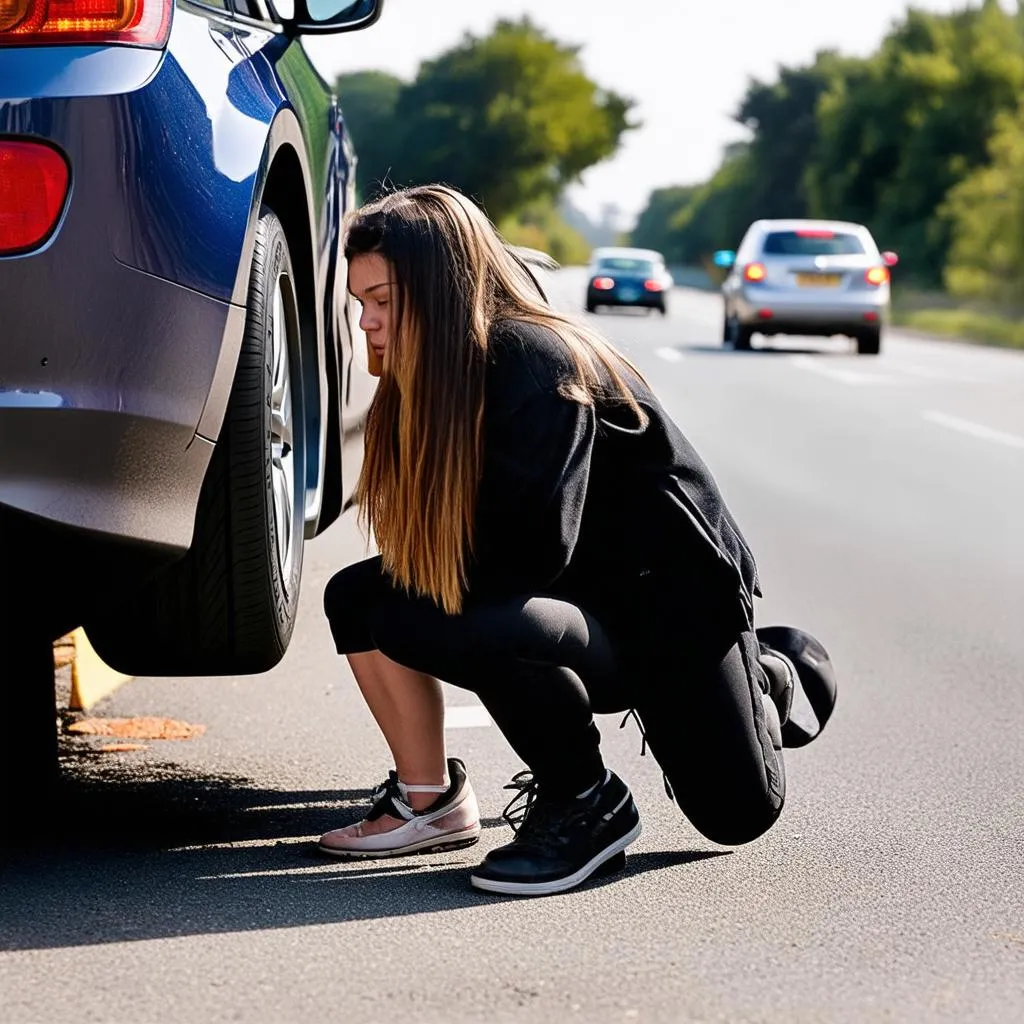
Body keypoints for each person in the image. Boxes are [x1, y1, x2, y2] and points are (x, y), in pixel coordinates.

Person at [318, 184, 837, 897]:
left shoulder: (535, 360)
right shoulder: (432, 375)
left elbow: (528, 555)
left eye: (382, 300)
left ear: (441, 288)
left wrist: (430, 600)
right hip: (577, 606)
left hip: (672, 615)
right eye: (360, 304)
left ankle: (771, 673)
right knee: (363, 597)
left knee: (737, 814)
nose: (367, 323)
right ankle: (501, 799)